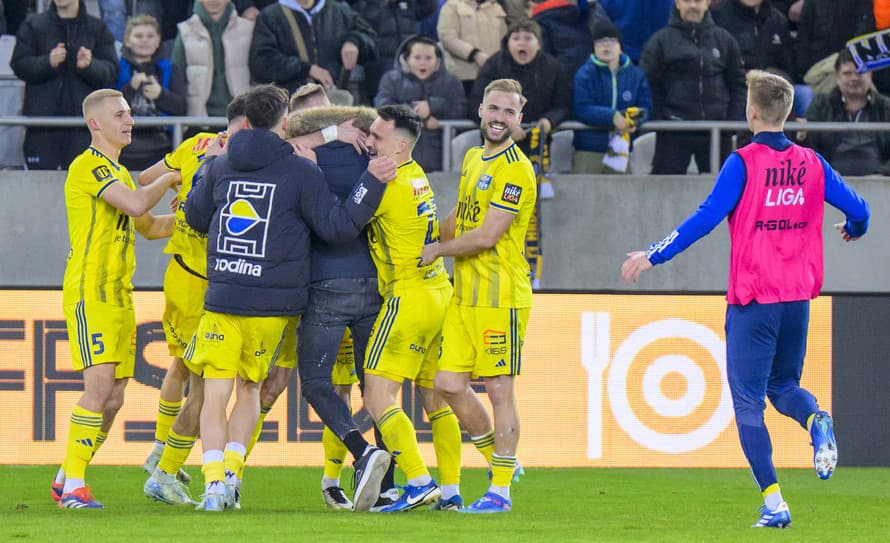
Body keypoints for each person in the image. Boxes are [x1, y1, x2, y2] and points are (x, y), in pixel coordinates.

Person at [620, 70, 870, 528]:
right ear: (788, 113)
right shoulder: (812, 163)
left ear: (752, 112)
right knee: (785, 388)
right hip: (798, 298)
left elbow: (706, 218)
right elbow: (861, 210)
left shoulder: (744, 162)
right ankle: (816, 421)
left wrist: (654, 255)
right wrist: (853, 231)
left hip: (754, 300)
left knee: (749, 403)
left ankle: (775, 503)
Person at [183, 84, 391, 511]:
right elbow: (335, 228)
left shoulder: (221, 164)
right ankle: (233, 478)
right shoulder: (301, 170)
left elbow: (195, 216)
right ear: (284, 122)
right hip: (273, 306)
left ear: (245, 122)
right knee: (250, 392)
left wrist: (205, 172)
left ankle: (213, 485)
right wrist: (369, 182)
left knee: (216, 394)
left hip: (224, 295)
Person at [51, 88, 179, 508]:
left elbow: (151, 227)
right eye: (120, 114)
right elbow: (139, 201)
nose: (130, 120)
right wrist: (174, 173)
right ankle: (73, 486)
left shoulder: (119, 173)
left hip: (120, 295)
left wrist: (193, 214)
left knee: (116, 395)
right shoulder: (88, 166)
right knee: (100, 385)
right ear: (95, 124)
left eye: (129, 114)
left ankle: (66, 473)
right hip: (91, 291)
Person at [420, 78, 537, 514]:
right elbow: (461, 215)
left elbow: (487, 236)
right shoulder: (473, 157)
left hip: (500, 297)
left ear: (519, 118)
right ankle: (500, 463)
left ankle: (501, 491)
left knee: (499, 390)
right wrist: (429, 233)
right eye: (494, 109)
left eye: (509, 112)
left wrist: (436, 251)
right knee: (447, 383)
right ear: (480, 110)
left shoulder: (516, 170)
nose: (499, 118)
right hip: (464, 296)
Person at [140, 94, 250, 506]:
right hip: (195, 284)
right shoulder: (217, 153)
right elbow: (145, 183)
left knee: (185, 369)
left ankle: (160, 455)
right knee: (203, 384)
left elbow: (146, 180)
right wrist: (177, 187)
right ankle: (164, 469)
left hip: (207, 281)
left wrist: (180, 192)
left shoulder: (207, 146)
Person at [357, 104, 461, 513]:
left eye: (377, 137)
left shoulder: (387, 184)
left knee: (376, 395)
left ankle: (418, 482)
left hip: (409, 295)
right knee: (436, 401)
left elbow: (342, 219)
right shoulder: (418, 176)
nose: (369, 142)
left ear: (400, 145)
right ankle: (451, 492)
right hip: (439, 293)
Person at [640, 0, 747, 175]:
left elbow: (738, 83)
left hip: (717, 131)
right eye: (687, 1)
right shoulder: (660, 41)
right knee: (664, 195)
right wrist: (662, 118)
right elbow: (649, 83)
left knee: (724, 194)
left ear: (707, 4)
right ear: (677, 3)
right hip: (674, 130)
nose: (693, 6)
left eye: (698, 1)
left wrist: (730, 120)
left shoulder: (724, 40)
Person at [11, 0, 118, 170]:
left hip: (84, 128)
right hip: (42, 127)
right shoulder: (33, 25)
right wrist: (48, 62)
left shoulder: (97, 27)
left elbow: (111, 72)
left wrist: (90, 66)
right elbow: (19, 65)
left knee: (83, 189)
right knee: (40, 188)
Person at [375, 35, 467, 172]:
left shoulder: (451, 82)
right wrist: (417, 113)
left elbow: (462, 108)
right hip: (398, 158)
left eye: (428, 58)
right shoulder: (392, 79)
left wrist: (433, 106)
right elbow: (383, 106)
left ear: (438, 61)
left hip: (440, 158)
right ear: (406, 59)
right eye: (417, 58)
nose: (423, 63)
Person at [572, 19, 652, 174]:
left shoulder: (636, 75)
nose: (606, 45)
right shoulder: (584, 74)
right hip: (590, 149)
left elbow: (646, 106)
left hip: (623, 148)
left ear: (621, 47)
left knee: (623, 197)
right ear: (594, 48)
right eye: (600, 42)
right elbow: (581, 108)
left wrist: (636, 119)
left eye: (611, 41)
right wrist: (613, 117)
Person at [248, 0, 377, 96]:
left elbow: (372, 40)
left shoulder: (339, 11)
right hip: (289, 107)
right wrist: (307, 69)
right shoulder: (270, 16)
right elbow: (261, 63)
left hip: (335, 106)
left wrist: (354, 42)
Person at [800, 49, 890, 177]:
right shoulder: (821, 104)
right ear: (837, 77)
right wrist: (826, 172)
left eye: (860, 72)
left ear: (870, 75)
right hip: (832, 182)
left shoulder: (886, 107)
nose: (854, 78)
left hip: (880, 184)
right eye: (847, 73)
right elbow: (809, 149)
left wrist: (882, 175)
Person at [117, 14, 188, 171]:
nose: (144, 40)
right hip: (123, 147)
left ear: (158, 41)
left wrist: (161, 95)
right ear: (127, 40)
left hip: (161, 146)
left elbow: (181, 107)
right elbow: (107, 108)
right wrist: (130, 89)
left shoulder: (169, 68)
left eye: (150, 36)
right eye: (138, 36)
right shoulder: (117, 68)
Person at [172, 0, 254, 118]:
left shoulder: (248, 29)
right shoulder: (185, 30)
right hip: (198, 117)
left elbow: (259, 73)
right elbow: (177, 75)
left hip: (242, 116)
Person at [437, 0, 508, 97]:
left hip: (494, 75)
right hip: (464, 76)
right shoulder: (452, 6)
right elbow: (447, 38)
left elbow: (504, 40)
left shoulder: (497, 7)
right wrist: (474, 54)